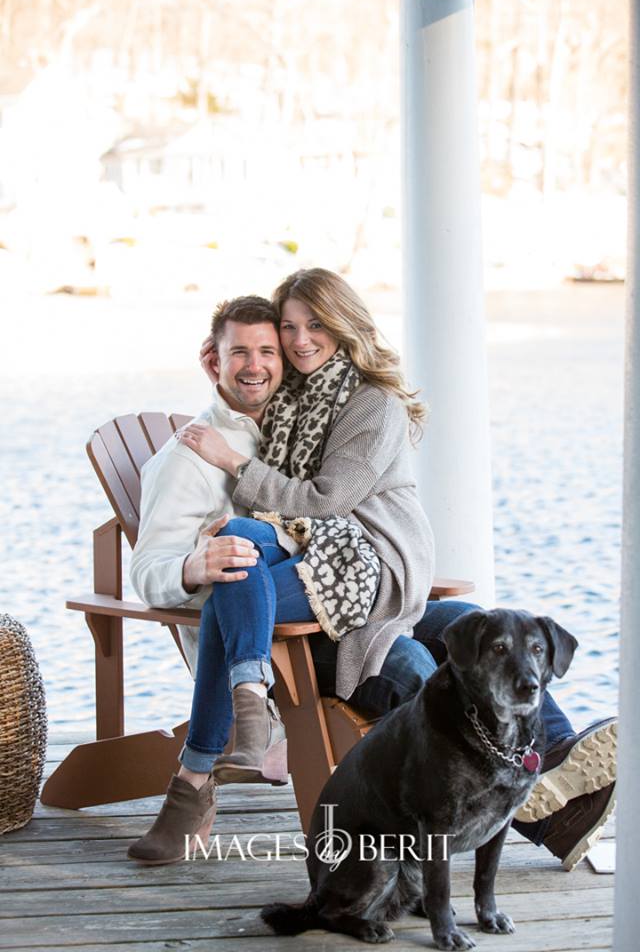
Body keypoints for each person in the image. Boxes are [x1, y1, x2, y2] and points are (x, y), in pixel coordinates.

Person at [128, 269, 616, 872]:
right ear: (213, 361)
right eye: (277, 336)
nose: (284, 351)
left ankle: (553, 763)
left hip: (346, 589)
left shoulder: (302, 416)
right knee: (390, 647)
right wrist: (194, 563)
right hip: (291, 629)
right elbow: (151, 571)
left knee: (471, 623)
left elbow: (316, 505)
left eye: (276, 346)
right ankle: (212, 753)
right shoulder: (195, 453)